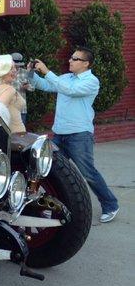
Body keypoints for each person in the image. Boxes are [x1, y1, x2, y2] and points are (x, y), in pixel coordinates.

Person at [29, 46, 120, 223]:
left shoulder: (91, 81)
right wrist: (32, 73)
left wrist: (47, 71)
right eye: (71, 57)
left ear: (86, 63)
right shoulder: (65, 78)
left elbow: (70, 90)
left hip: (79, 135)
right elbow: (44, 85)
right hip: (59, 134)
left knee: (88, 173)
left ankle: (110, 204)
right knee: (52, 172)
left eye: (75, 59)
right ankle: (58, 207)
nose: (70, 60)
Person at [0, 54, 26, 133]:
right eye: (11, 68)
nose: (15, 70)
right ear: (2, 72)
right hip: (15, 136)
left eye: (15, 67)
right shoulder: (9, 90)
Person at [11, 52, 33, 124]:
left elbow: (33, 87)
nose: (17, 66)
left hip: (22, 109)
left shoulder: (25, 72)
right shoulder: (6, 73)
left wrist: (27, 87)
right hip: (9, 108)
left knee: (21, 133)